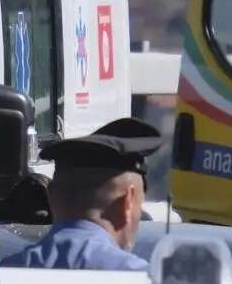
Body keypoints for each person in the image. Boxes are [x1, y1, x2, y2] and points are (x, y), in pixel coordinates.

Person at [9, 116, 164, 271]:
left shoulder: (5, 274)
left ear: (51, 195)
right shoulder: (145, 282)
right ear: (128, 201)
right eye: (139, 204)